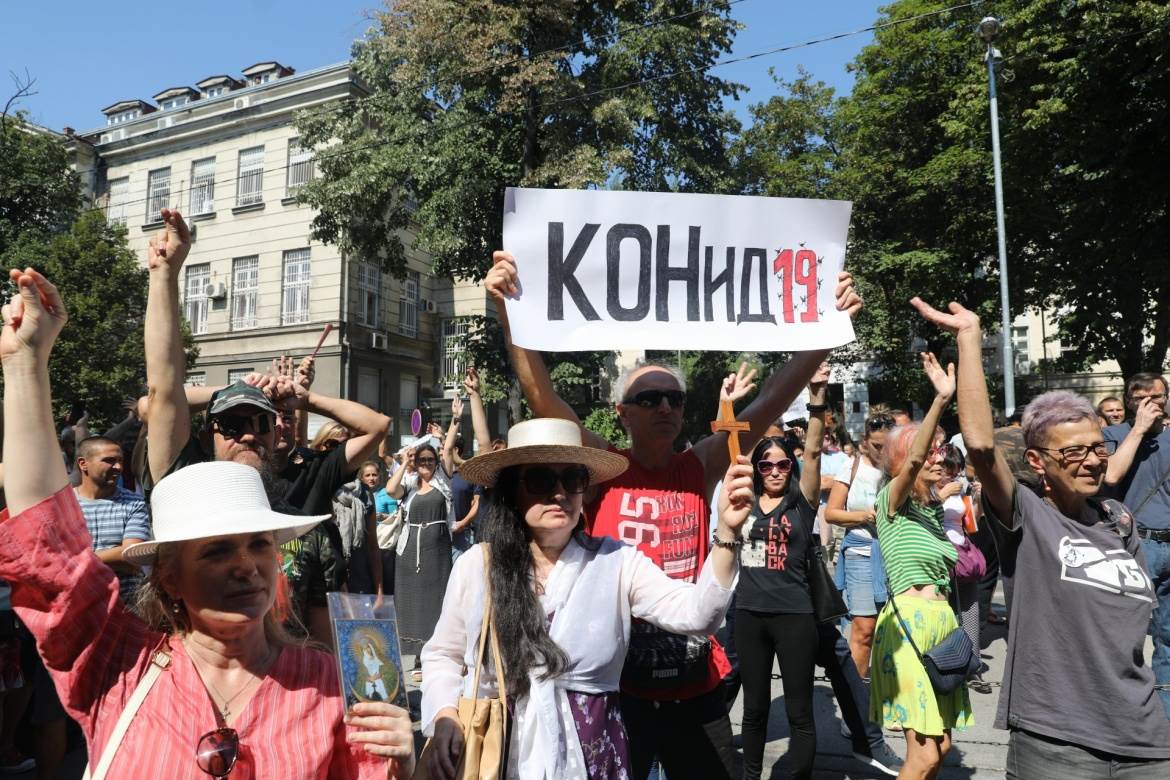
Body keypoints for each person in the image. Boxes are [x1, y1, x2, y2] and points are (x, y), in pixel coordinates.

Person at [0, 266, 415, 778]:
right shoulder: (118, 664)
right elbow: (49, 550)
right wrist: (24, 365)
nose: (247, 567)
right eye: (217, 550)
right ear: (168, 575)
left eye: (260, 544)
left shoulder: (328, 684)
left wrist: (403, 763)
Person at [484, 248, 863, 779]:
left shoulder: (699, 464)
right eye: (651, 398)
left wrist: (828, 327)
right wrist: (509, 312)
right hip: (621, 690)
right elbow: (542, 396)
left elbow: (772, 401)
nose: (665, 407)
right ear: (624, 414)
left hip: (696, 686)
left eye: (675, 399)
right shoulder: (602, 469)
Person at [914, 297, 1170, 778]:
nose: (1093, 460)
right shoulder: (1026, 517)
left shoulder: (1118, 519)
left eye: (1098, 448)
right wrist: (970, 337)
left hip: (1145, 738)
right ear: (1038, 463)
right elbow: (983, 447)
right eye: (1075, 453)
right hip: (1058, 741)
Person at [419, 418, 744, 779]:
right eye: (541, 480)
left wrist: (727, 533)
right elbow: (443, 654)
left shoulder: (616, 562)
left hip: (595, 761)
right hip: (497, 752)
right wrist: (444, 714)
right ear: (513, 491)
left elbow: (698, 615)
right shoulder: (477, 566)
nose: (559, 493)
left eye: (572, 479)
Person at [143, 209, 391, 644]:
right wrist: (165, 274)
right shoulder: (185, 479)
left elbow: (377, 426)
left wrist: (304, 398)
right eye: (231, 423)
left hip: (283, 676)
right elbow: (161, 393)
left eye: (260, 421)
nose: (247, 433)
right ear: (209, 434)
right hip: (196, 673)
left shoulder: (297, 483)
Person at [734, 365, 901, 780]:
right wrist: (731, 404)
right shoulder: (741, 503)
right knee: (753, 712)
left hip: (795, 617)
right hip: (749, 615)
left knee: (799, 714)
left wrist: (817, 396)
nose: (774, 471)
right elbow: (730, 441)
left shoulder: (801, 503)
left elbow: (811, 451)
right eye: (766, 466)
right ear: (755, 470)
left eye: (781, 465)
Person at [867, 351, 973, 780]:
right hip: (908, 625)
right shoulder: (891, 502)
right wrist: (939, 401)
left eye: (939, 451)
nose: (935, 458)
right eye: (927, 453)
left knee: (941, 746)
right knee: (925, 754)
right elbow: (911, 464)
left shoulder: (931, 512)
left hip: (941, 624)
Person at [1102, 372, 1170, 717]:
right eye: (1140, 399)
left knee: (1169, 639)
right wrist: (1139, 429)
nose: (1149, 404)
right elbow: (1111, 475)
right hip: (1137, 545)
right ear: (1129, 402)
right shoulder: (1113, 435)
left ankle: (1163, 715)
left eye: (1155, 397)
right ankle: (1122, 710)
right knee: (1124, 635)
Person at [825, 411, 895, 676]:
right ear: (865, 441)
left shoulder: (899, 467)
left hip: (895, 555)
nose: (882, 451)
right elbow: (831, 512)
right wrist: (863, 516)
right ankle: (857, 701)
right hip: (861, 553)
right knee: (864, 629)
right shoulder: (851, 467)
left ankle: (886, 695)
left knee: (891, 629)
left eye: (887, 445)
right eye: (877, 445)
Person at [387, 440, 454, 676]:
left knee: (436, 602)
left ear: (436, 463)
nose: (426, 464)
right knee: (411, 604)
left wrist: (455, 421)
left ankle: (434, 654)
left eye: (430, 460)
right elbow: (390, 490)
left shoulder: (442, 480)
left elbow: (448, 449)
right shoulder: (410, 483)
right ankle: (417, 658)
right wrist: (405, 462)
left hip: (436, 552)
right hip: (409, 552)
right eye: (421, 460)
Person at [74, 435, 151, 604]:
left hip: (126, 606)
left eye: (120, 461)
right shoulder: (64, 503)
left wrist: (77, 563)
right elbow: (53, 559)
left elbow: (132, 554)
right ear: (83, 464)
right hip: (76, 604)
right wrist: (115, 556)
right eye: (109, 460)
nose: (118, 467)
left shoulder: (134, 502)